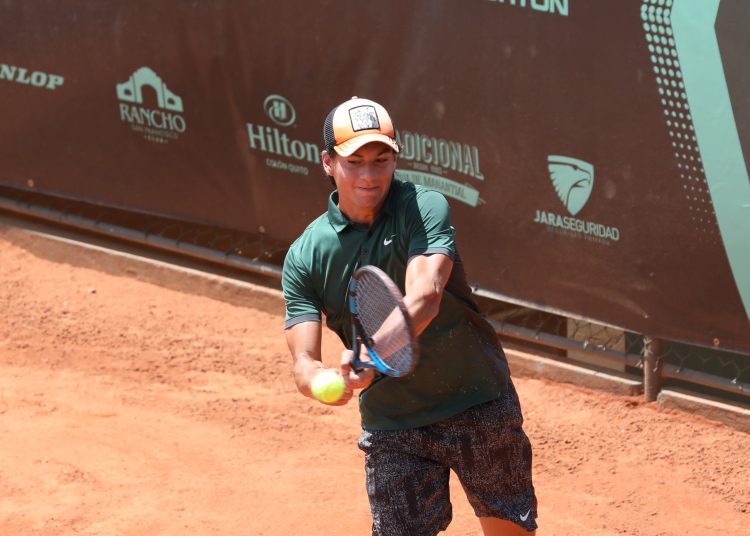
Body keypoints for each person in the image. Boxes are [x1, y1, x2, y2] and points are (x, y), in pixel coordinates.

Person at [282, 97, 537, 535]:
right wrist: (320, 380)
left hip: (476, 402)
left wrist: (370, 354)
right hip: (393, 424)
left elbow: (426, 294)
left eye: (381, 160)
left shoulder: (424, 206)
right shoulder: (305, 255)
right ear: (327, 163)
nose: (369, 175)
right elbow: (303, 362)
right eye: (354, 162)